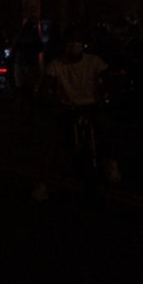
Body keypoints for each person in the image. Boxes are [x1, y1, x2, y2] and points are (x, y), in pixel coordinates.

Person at [33, 32, 118, 200]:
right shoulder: (56, 64)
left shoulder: (93, 61)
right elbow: (46, 85)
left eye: (77, 41)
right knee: (52, 141)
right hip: (67, 109)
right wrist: (47, 99)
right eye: (70, 42)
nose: (74, 45)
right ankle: (42, 184)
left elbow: (106, 78)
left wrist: (106, 95)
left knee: (107, 127)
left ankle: (111, 163)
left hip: (91, 106)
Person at [13, 17, 44, 118]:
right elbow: (41, 48)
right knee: (27, 91)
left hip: (24, 63)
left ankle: (24, 113)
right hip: (27, 64)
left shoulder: (24, 36)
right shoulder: (31, 36)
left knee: (22, 91)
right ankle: (27, 113)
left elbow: (40, 47)